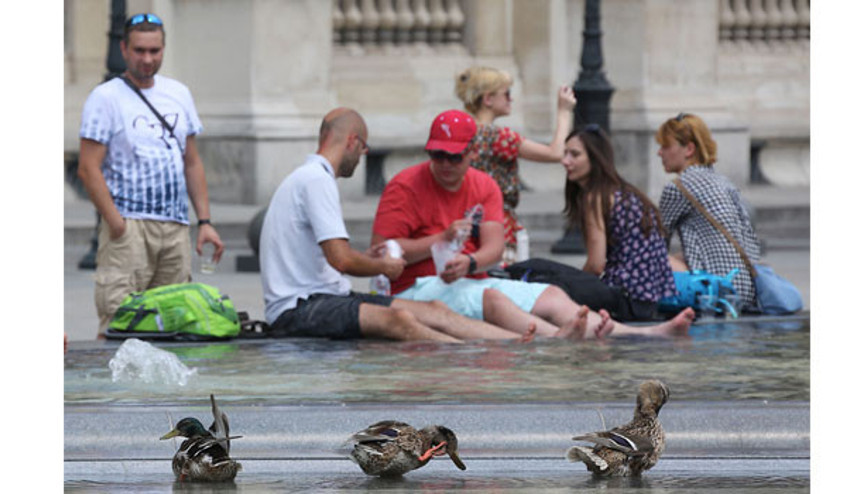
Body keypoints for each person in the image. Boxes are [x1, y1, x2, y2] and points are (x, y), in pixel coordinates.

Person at [372, 110, 694, 339]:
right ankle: (559, 338)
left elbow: (494, 249)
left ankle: (646, 333)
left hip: (469, 279)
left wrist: (470, 262)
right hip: (414, 287)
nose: (444, 164)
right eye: (437, 155)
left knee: (553, 293)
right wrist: (439, 239)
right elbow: (380, 257)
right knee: (497, 298)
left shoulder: (483, 185)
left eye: (454, 157)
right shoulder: (403, 186)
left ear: (472, 152)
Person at [259, 107, 540, 343]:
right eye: (364, 149)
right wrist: (384, 266)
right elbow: (341, 260)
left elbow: (336, 257)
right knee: (399, 320)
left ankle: (513, 343)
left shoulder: (312, 178)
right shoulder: (316, 180)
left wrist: (369, 259)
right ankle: (468, 352)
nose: (361, 157)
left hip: (329, 296)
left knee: (435, 310)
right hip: (299, 307)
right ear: (353, 141)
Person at [77, 13, 224, 333]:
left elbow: (192, 162)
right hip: (129, 225)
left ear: (163, 49)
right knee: (120, 322)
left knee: (176, 323)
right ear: (124, 49)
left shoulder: (179, 93)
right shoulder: (106, 97)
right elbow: (88, 168)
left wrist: (205, 222)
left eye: (154, 51)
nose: (147, 59)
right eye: (139, 51)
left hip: (175, 228)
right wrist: (116, 224)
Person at [454, 66, 577, 264]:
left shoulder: (461, 131)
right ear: (488, 99)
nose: (510, 99)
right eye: (506, 93)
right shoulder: (498, 136)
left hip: (464, 220)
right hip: (498, 223)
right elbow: (555, 153)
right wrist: (564, 111)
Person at [561, 125, 677, 320]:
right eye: (565, 154)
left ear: (595, 158)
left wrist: (572, 290)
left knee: (549, 280)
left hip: (626, 298)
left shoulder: (597, 197)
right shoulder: (625, 191)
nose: (565, 161)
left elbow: (596, 265)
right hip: (649, 298)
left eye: (574, 155)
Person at [656, 113, 761, 307]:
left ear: (689, 149)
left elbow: (656, 245)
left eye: (665, 146)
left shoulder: (679, 187)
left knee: (646, 258)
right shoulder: (724, 182)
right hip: (749, 290)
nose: (659, 153)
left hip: (715, 290)